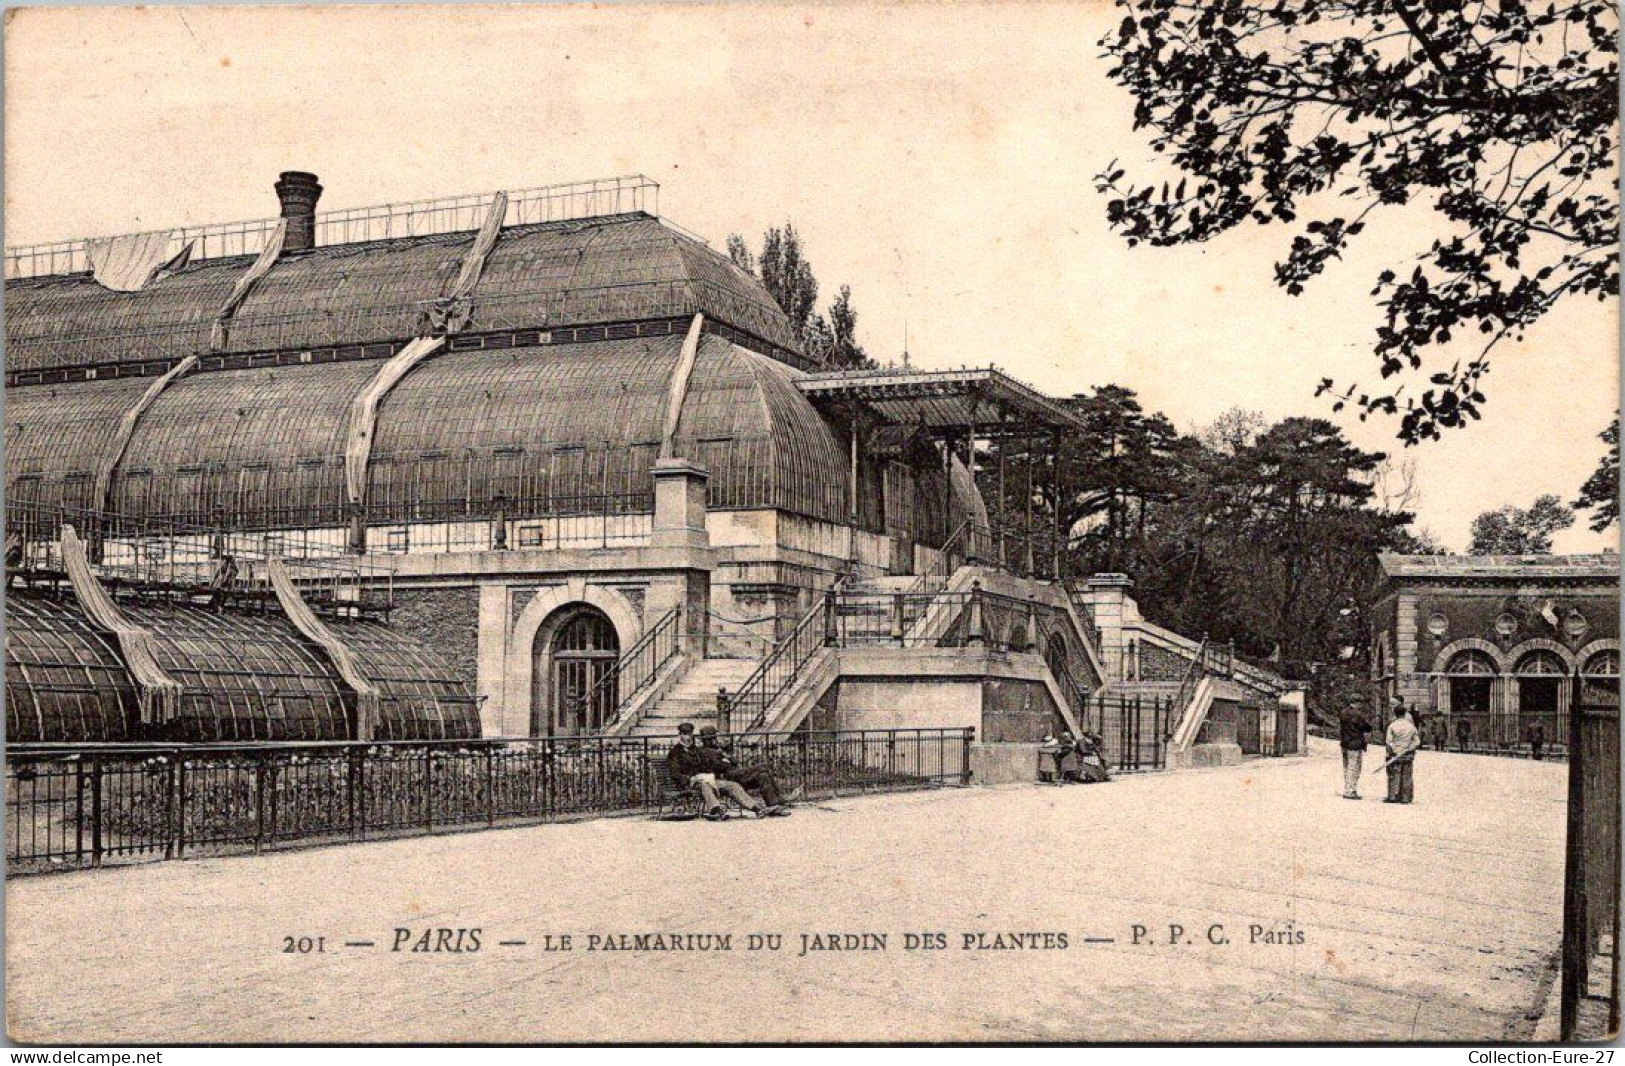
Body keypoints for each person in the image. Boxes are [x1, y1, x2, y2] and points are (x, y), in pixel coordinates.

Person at [665, 723, 770, 821]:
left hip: (707, 779)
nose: (688, 738)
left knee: (732, 785)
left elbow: (708, 766)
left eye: (690, 734)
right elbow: (675, 774)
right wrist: (691, 778)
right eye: (685, 734)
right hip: (690, 783)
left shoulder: (697, 750)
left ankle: (756, 808)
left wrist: (716, 765)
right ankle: (716, 810)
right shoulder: (675, 753)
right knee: (704, 784)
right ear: (680, 735)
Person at [698, 726, 792, 816]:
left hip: (736, 774)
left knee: (763, 775)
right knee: (763, 767)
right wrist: (726, 760)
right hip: (728, 776)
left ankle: (773, 806)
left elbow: (735, 762)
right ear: (709, 739)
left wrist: (727, 756)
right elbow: (718, 767)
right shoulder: (705, 752)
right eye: (714, 737)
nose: (717, 740)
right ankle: (781, 797)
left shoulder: (718, 750)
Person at [1384, 702, 1420, 804]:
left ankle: (1392, 796)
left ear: (1395, 714)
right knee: (1407, 776)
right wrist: (1409, 748)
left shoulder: (1392, 726)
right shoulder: (1411, 726)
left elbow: (1389, 741)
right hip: (1408, 755)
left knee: (1393, 775)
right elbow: (1417, 741)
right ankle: (1405, 798)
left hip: (1395, 755)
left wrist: (1395, 750)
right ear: (1405, 714)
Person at [1338, 698, 1373, 800]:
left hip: (1345, 743)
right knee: (1354, 768)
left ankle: (1347, 788)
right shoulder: (1357, 714)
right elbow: (1366, 727)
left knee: (1346, 767)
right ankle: (1350, 790)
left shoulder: (1343, 712)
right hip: (1355, 743)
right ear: (1357, 703)